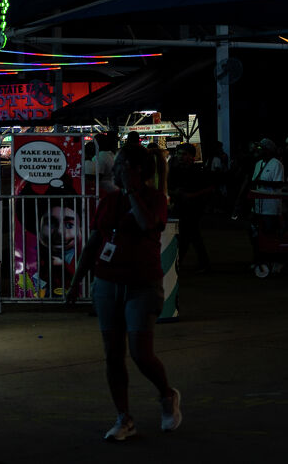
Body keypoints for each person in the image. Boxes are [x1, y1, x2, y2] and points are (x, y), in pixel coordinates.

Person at [70, 140, 181, 441]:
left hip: (142, 285)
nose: (115, 170)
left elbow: (148, 224)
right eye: (116, 165)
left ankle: (167, 394)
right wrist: (77, 279)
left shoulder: (155, 198)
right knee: (113, 355)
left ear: (136, 170)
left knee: (141, 354)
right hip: (107, 284)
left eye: (121, 166)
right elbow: (94, 242)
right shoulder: (108, 201)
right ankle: (124, 418)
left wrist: (133, 192)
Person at [167, 143, 215, 275]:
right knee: (190, 236)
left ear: (192, 156)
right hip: (179, 207)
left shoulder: (199, 171)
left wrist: (192, 195)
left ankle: (179, 262)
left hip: (193, 209)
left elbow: (210, 188)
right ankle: (201, 263)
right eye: (179, 154)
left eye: (184, 154)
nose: (181, 157)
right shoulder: (174, 171)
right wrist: (175, 193)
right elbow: (169, 188)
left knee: (186, 236)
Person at [246, 138, 287, 277]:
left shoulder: (277, 164)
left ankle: (272, 261)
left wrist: (261, 182)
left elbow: (279, 184)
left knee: (270, 235)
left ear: (268, 150)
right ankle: (259, 259)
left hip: (271, 208)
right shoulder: (258, 163)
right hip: (258, 206)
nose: (258, 151)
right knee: (255, 234)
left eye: (261, 148)